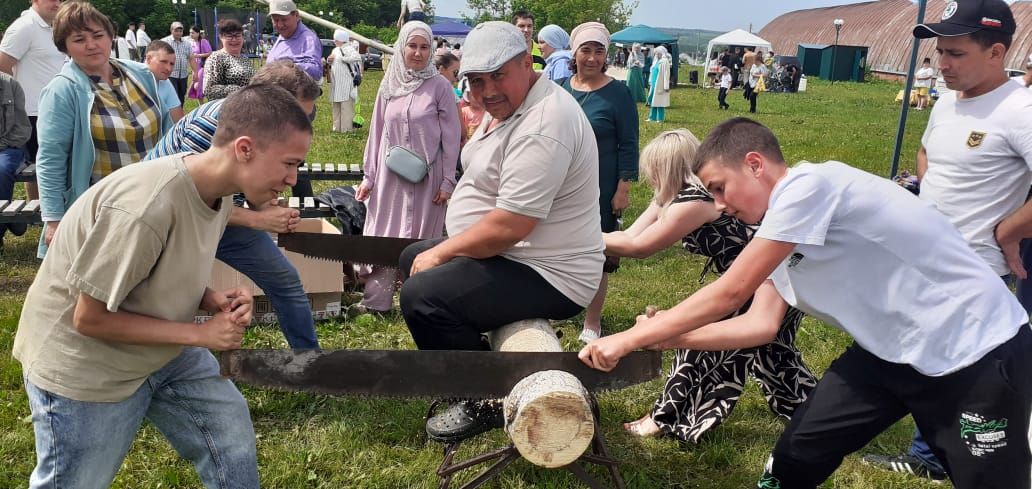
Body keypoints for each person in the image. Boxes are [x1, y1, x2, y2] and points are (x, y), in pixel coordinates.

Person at [579, 117, 1032, 489]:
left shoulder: (810, 186)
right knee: (793, 460)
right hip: (887, 354)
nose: (717, 203)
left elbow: (730, 292)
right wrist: (673, 337)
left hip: (977, 352)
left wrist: (631, 337)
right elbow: (759, 325)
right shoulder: (776, 232)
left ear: (755, 164)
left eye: (719, 187)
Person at [14, 83, 312, 489]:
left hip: (164, 348)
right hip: (87, 367)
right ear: (245, 149)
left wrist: (210, 298)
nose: (293, 179)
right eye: (289, 164)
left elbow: (164, 262)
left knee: (230, 436)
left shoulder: (218, 191)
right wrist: (200, 334)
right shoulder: (145, 206)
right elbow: (90, 319)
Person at [398, 21, 603, 443]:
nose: (487, 90)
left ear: (528, 63)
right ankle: (484, 367)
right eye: (475, 80)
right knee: (410, 259)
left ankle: (487, 398)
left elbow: (512, 225)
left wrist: (444, 252)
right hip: (520, 254)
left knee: (424, 297)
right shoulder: (513, 106)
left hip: (552, 271)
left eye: (498, 76)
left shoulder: (546, 122)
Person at [861, 1, 1032, 482]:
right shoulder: (946, 100)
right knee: (924, 357)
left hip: (976, 272)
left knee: (973, 378)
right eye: (939, 52)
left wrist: (1010, 229)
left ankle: (967, 462)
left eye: (955, 53)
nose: (942, 64)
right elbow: (924, 150)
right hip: (924, 262)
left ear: (996, 51)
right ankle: (931, 452)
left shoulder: (1019, 110)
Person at [604, 129, 815, 441]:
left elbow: (639, 248)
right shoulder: (671, 198)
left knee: (697, 346)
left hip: (759, 275)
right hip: (765, 274)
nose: (647, 177)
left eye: (652, 169)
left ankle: (666, 418)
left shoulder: (695, 202)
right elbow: (631, 235)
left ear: (664, 169)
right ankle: (811, 413)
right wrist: (577, 241)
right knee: (774, 354)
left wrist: (575, 242)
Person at [147, 60, 322, 350]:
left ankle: (310, 360)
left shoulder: (261, 128)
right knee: (169, 293)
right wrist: (258, 220)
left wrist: (264, 203)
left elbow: (237, 190)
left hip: (220, 213)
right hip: (167, 221)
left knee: (285, 280)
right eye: (299, 114)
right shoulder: (214, 125)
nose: (304, 123)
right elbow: (193, 202)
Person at [36, 2, 174, 259]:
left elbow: (168, 132)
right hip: (102, 210)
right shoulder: (62, 91)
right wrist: (54, 219)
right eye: (79, 39)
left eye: (98, 35)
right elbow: (50, 159)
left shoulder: (142, 75)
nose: (91, 44)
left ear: (111, 36)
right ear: (64, 46)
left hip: (154, 201)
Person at [354, 21, 460, 314]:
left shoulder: (440, 86)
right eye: (412, 46)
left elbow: (452, 138)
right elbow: (376, 132)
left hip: (429, 176)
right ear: (402, 47)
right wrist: (369, 176)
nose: (417, 53)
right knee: (385, 234)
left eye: (424, 47)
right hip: (391, 177)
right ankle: (377, 302)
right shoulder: (389, 85)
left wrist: (448, 181)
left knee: (422, 240)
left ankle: (420, 304)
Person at [560, 22, 639, 343]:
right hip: (561, 185)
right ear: (574, 53)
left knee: (597, 252)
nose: (591, 58)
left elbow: (629, 143)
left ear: (606, 55)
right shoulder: (561, 88)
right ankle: (559, 303)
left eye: (598, 51)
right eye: (585, 50)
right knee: (557, 247)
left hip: (601, 186)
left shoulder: (618, 93)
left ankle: (592, 322)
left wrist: (623, 188)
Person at [0, 71, 31, 251]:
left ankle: (2, 227)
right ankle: (11, 221)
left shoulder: (10, 85)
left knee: (2, 170)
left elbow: (22, 129)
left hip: (8, 146)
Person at [267, 0, 323, 83]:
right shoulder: (283, 35)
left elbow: (316, 72)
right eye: (276, 20)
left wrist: (285, 66)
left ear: (296, 15)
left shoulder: (308, 39)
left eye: (284, 20)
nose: (280, 25)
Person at [204, 19, 257, 100]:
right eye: (229, 36)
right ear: (221, 37)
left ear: (243, 37)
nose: (234, 39)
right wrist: (240, 91)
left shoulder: (245, 59)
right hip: (226, 108)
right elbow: (208, 90)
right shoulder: (216, 57)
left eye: (237, 35)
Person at [327, 29, 361, 133]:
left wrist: (344, 59)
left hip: (346, 83)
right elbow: (331, 62)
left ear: (340, 39)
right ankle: (336, 128)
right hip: (336, 83)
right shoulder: (335, 49)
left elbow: (357, 57)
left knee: (346, 108)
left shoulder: (349, 48)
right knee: (336, 107)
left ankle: (346, 129)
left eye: (336, 39)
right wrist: (329, 60)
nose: (334, 41)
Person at [144, 41, 185, 122]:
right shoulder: (131, 78)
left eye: (172, 64)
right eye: (163, 62)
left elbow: (178, 120)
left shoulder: (165, 82)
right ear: (148, 59)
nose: (169, 69)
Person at [162, 21, 195, 105]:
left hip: (184, 75)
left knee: (181, 96)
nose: (179, 33)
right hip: (171, 75)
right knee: (173, 96)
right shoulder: (165, 42)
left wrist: (196, 73)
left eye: (180, 31)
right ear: (171, 30)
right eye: (176, 30)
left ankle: (179, 114)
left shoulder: (187, 43)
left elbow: (191, 58)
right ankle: (172, 115)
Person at [187, 25, 212, 102]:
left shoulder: (203, 41)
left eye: (193, 33)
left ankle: (209, 102)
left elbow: (210, 53)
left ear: (198, 33)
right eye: (190, 33)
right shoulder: (190, 43)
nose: (191, 34)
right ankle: (201, 105)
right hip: (194, 67)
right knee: (197, 87)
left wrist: (198, 55)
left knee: (197, 86)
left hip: (202, 66)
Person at [647, 46, 671, 122]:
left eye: (657, 53)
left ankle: (660, 118)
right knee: (653, 101)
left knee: (660, 101)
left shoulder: (664, 61)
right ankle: (652, 117)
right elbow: (653, 71)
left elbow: (666, 74)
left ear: (661, 52)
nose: (656, 54)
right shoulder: (657, 61)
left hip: (660, 84)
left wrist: (666, 86)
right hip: (654, 83)